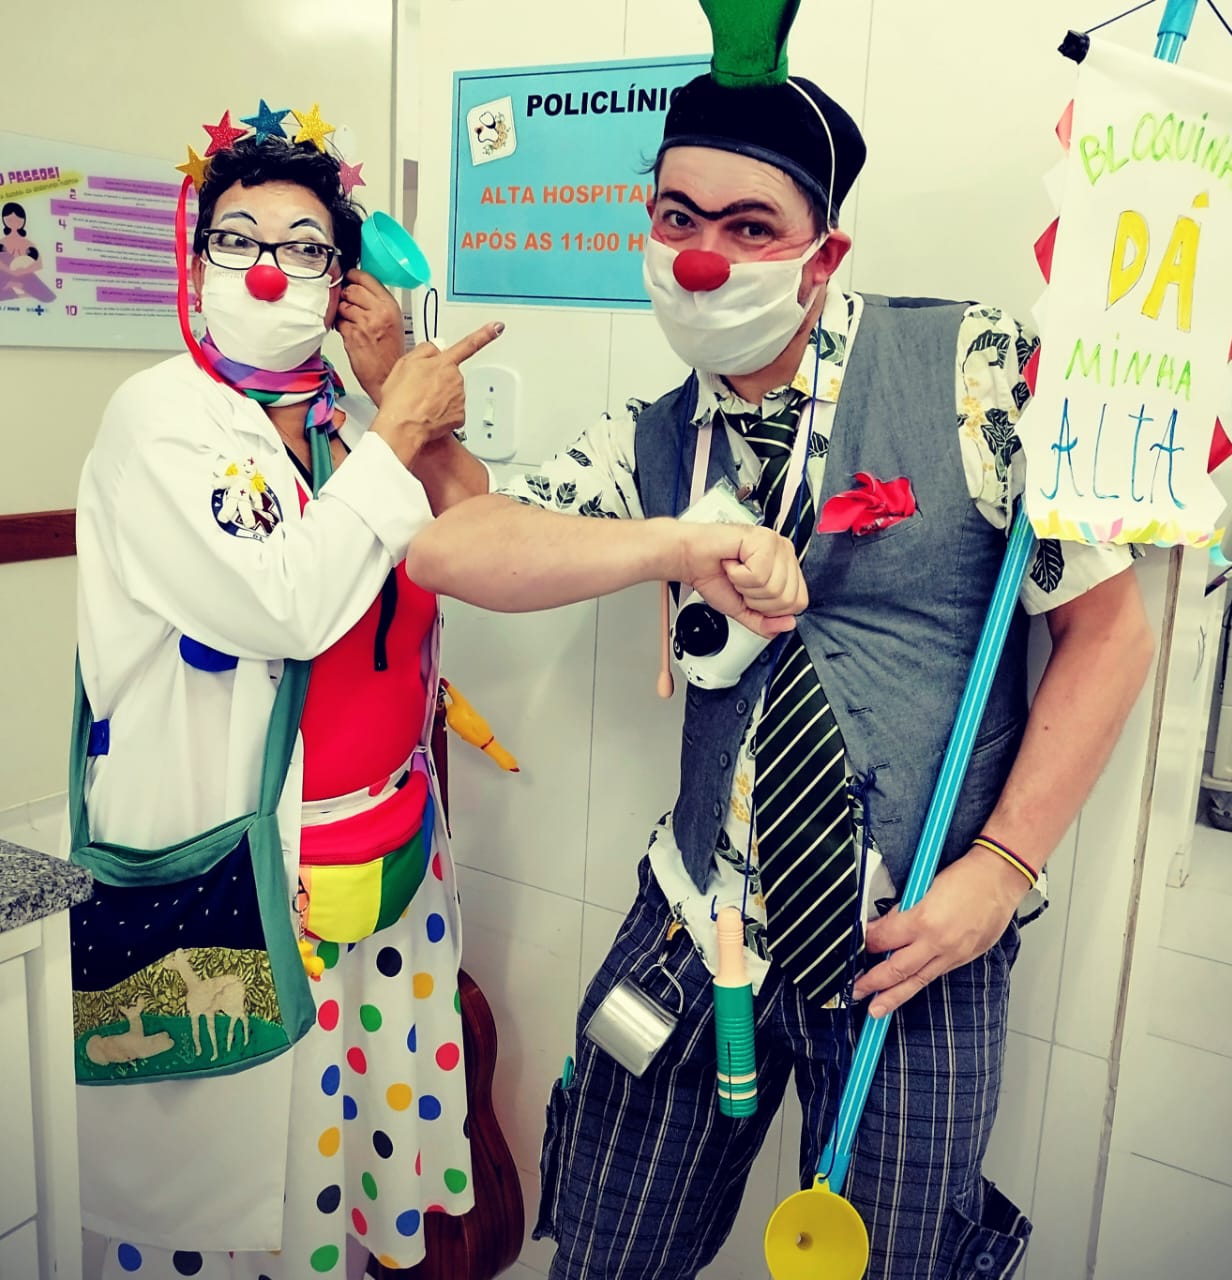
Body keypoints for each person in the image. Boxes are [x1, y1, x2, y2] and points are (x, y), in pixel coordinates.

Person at [404, 60, 1154, 1280]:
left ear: (822, 255)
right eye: (677, 218)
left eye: (748, 226)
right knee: (605, 1244)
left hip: (917, 937)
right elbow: (462, 544)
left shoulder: (974, 370)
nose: (703, 258)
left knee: (890, 1259)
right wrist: (671, 543)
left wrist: (998, 871)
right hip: (696, 917)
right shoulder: (651, 437)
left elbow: (1109, 634)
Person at [74, 131, 501, 1280]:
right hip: (234, 874)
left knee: (342, 1170)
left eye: (304, 248)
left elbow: (471, 534)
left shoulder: (341, 425)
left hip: (382, 863)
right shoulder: (159, 421)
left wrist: (400, 401)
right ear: (196, 261)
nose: (267, 269)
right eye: (239, 240)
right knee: (225, 1197)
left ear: (338, 284)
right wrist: (398, 425)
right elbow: (284, 606)